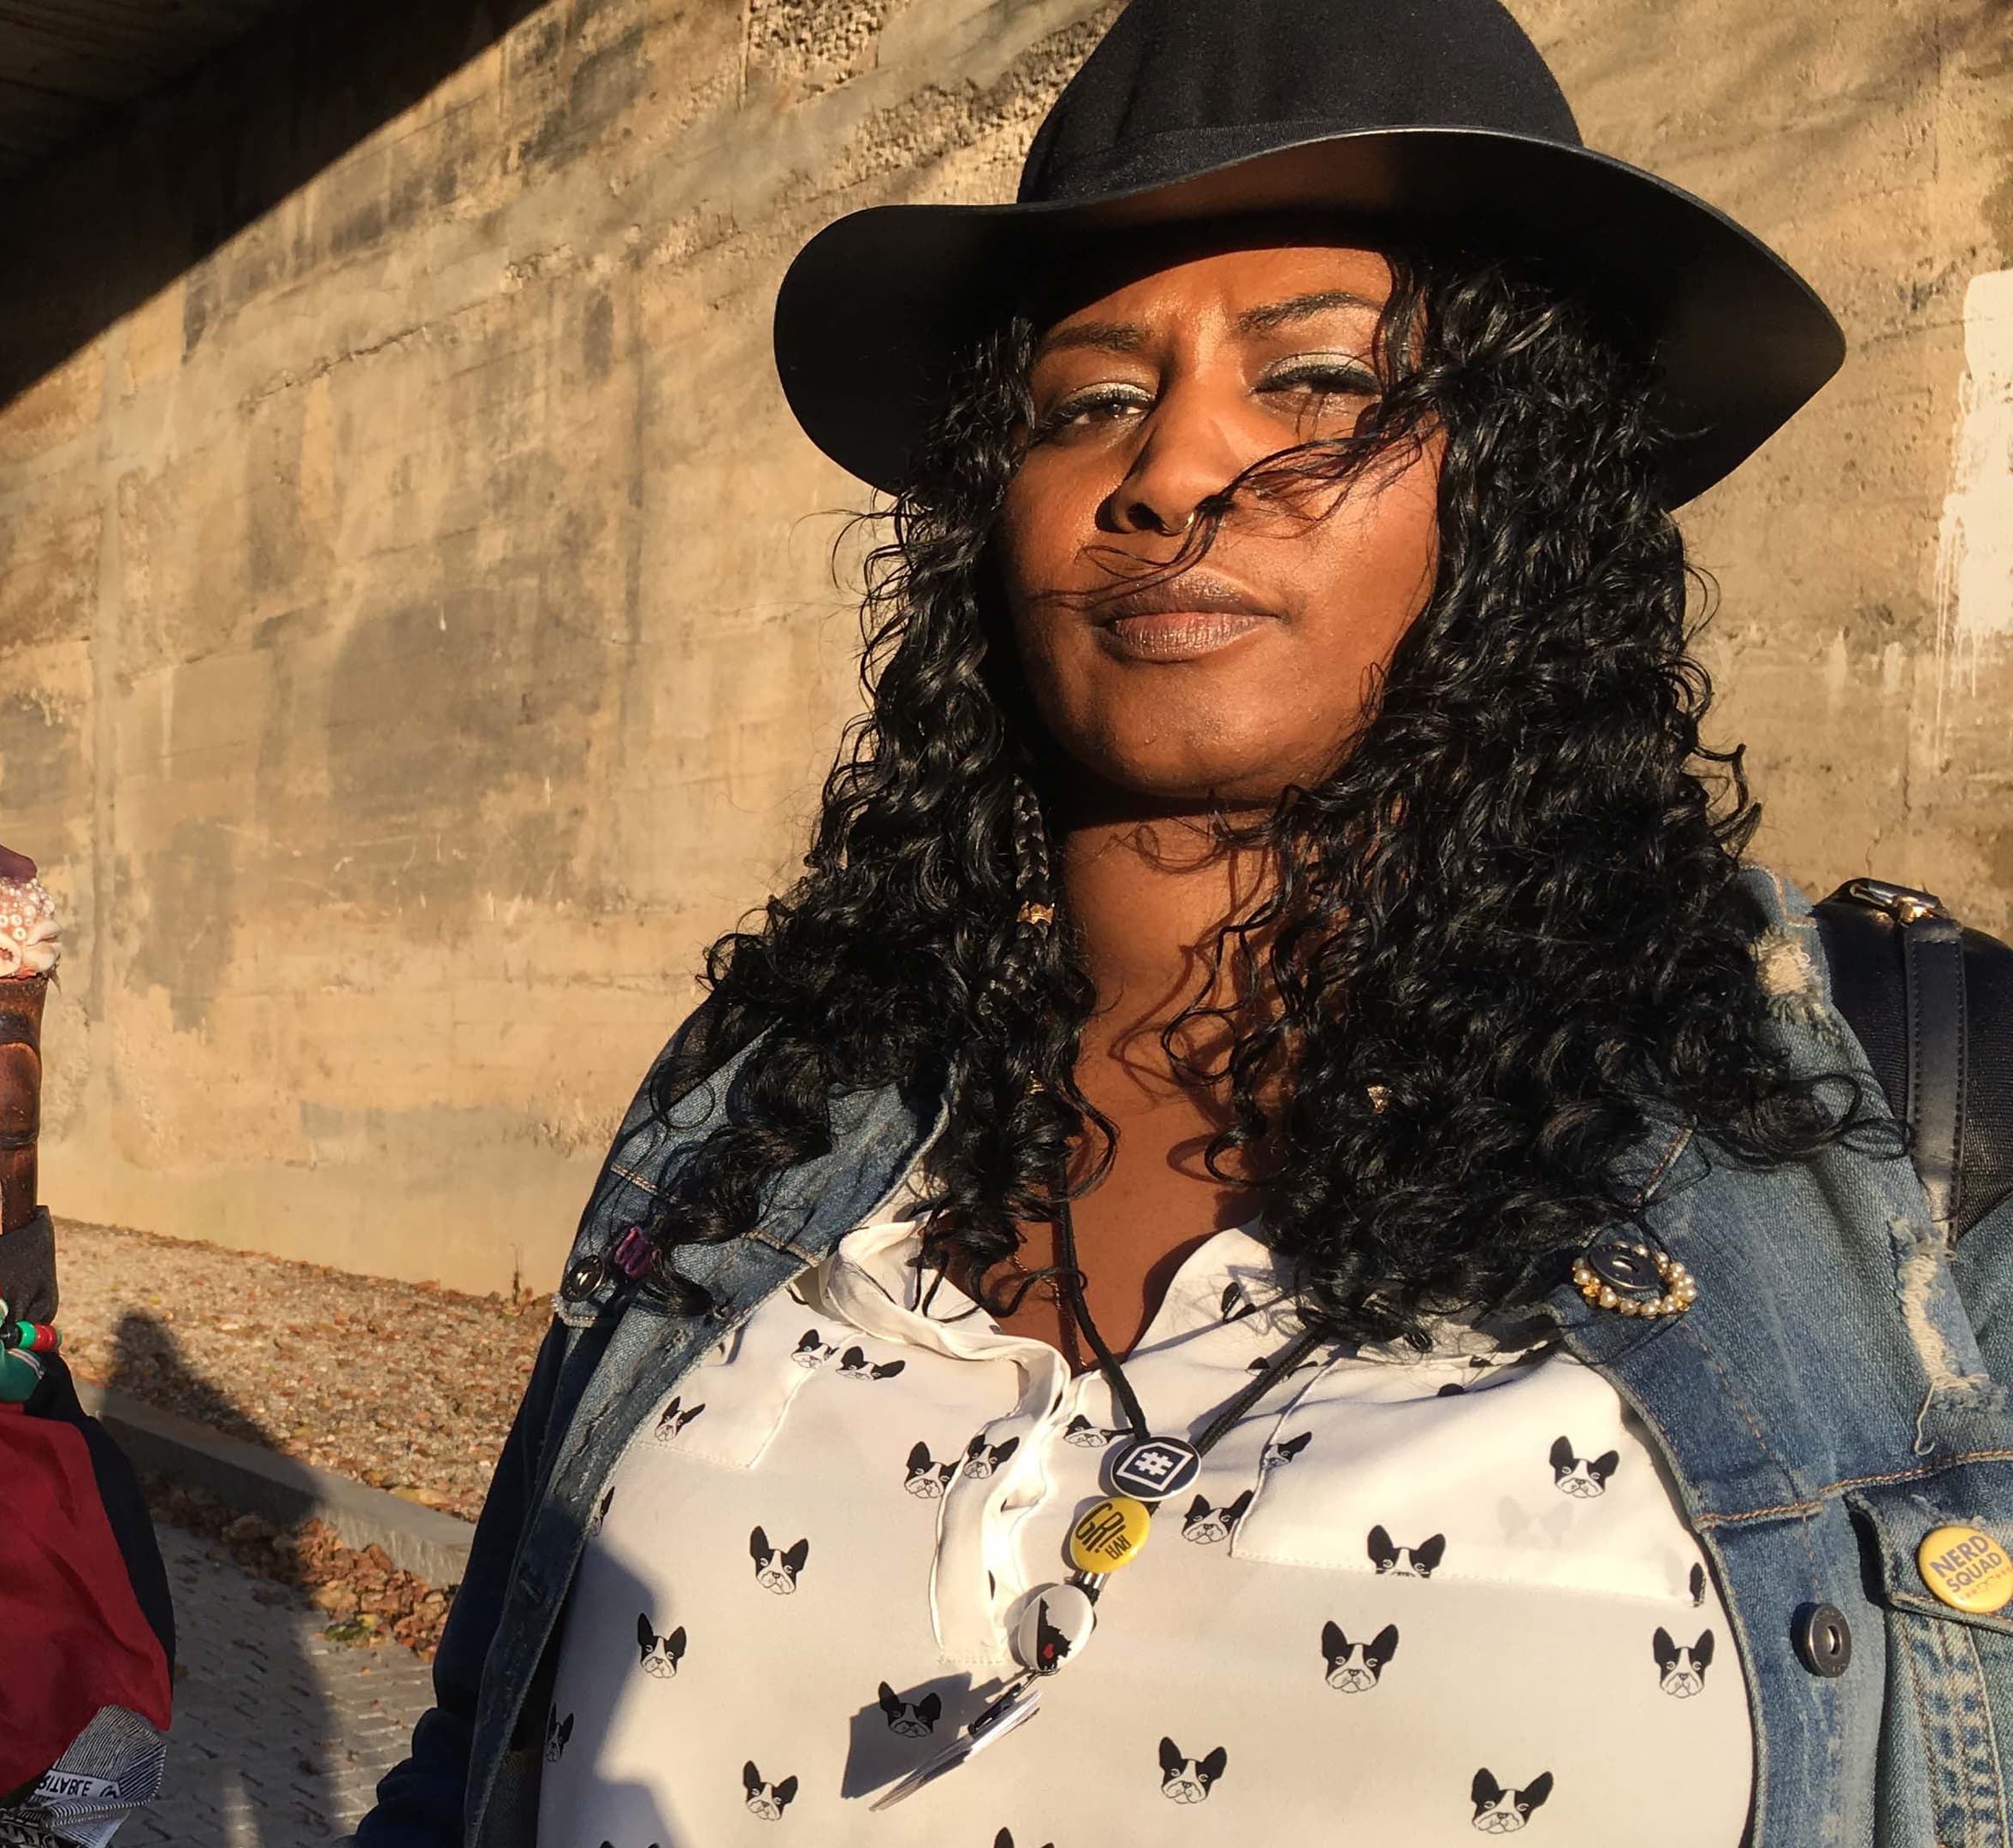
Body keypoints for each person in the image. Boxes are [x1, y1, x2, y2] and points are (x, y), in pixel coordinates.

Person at [352, 1, 2013, 1843]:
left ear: (1522, 479)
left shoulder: (1896, 1139)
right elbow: (470, 1765)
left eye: (1315, 385)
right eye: (1092, 404)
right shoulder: (777, 1100)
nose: (1172, 473)